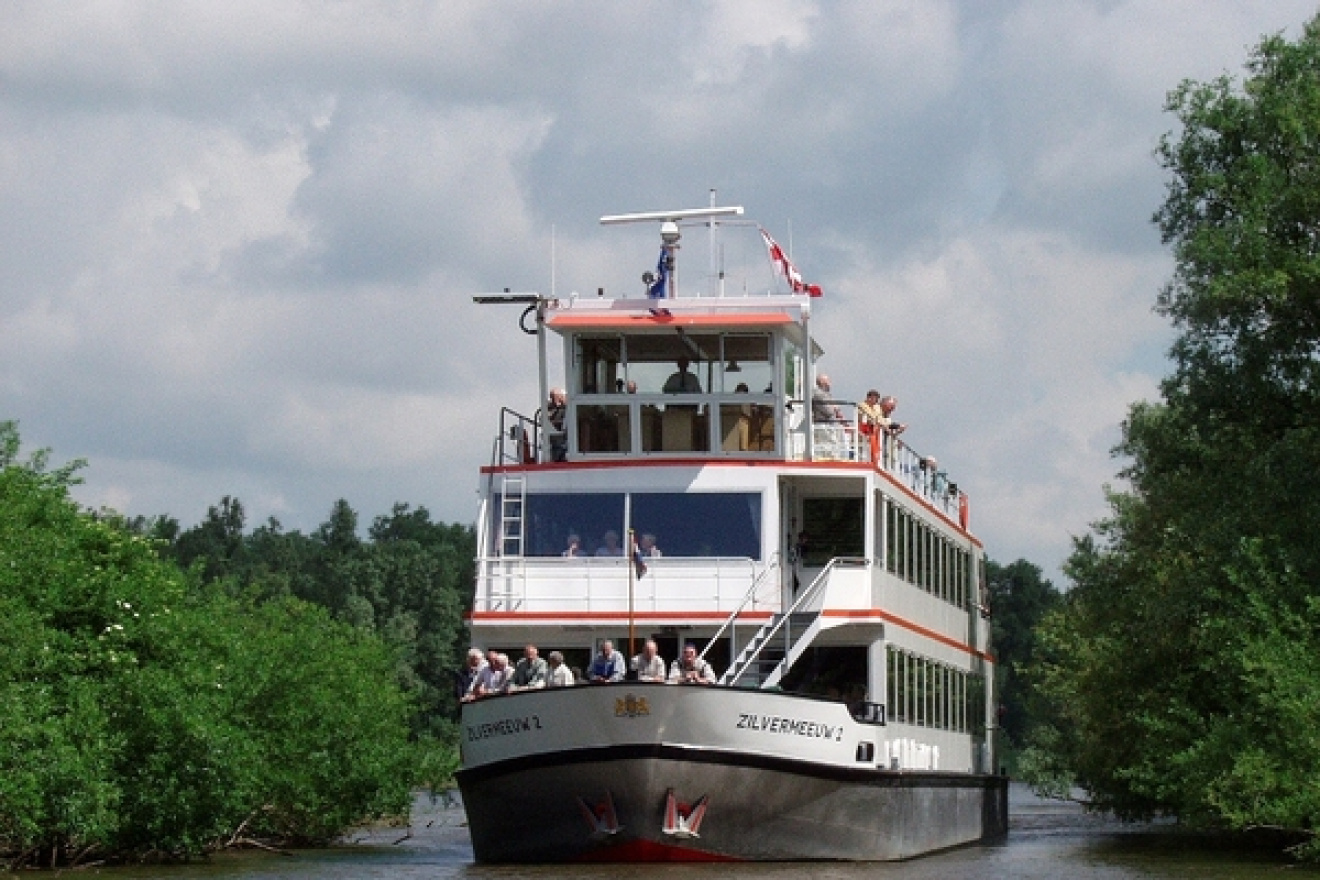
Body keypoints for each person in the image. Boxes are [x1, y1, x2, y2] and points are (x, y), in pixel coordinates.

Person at [857, 389, 884, 463]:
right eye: (875, 399)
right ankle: (869, 459)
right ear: (870, 398)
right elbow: (868, 417)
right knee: (867, 444)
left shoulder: (877, 407)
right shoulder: (862, 406)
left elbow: (880, 418)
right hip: (864, 429)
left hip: (874, 430)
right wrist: (876, 421)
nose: (876, 402)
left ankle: (875, 459)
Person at [547, 387, 568, 461]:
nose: (553, 400)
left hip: (565, 439)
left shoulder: (567, 408)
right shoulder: (550, 409)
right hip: (555, 440)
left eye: (556, 397)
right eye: (552, 397)